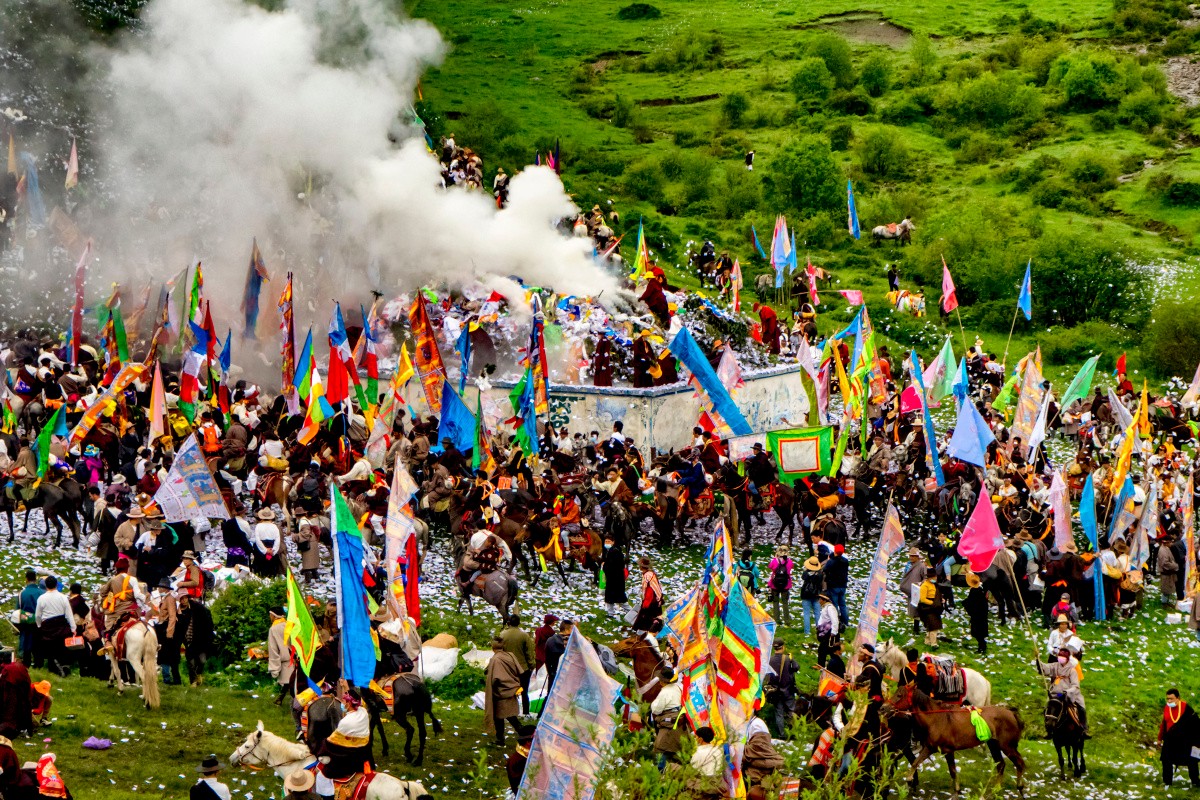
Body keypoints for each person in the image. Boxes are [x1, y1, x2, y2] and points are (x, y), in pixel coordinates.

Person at [1039, 648, 1089, 737]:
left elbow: (1075, 685)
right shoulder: (1055, 666)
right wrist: (1038, 661)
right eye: (1059, 656)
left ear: (1067, 659)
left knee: (1081, 708)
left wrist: (1067, 692)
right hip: (1055, 693)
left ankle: (1083, 728)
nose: (1060, 659)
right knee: (1048, 707)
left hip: (1067, 694)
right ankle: (1049, 729)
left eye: (1062, 657)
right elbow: (1045, 668)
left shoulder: (1072, 670)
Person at [485, 636, 524, 747]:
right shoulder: (510, 655)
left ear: (493, 647)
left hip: (502, 692)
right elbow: (519, 670)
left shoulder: (495, 659)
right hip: (512, 689)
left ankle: (524, 735)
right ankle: (501, 739)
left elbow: (495, 678)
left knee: (506, 717)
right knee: (506, 716)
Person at [1159, 688, 1200, 789]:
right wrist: (1159, 738)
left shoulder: (1187, 709)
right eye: (1167, 699)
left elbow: (1196, 725)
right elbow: (1163, 724)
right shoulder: (1166, 708)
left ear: (1178, 698)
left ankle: (1195, 781)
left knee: (1192, 761)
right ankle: (1167, 782)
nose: (1169, 701)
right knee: (1166, 759)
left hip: (1185, 740)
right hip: (1170, 739)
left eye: (1171, 699)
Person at [35, 576, 75, 677]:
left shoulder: (41, 598)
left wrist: (39, 625)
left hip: (48, 626)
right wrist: (73, 628)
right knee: (61, 647)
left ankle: (53, 666)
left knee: (50, 648)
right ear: (56, 585)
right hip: (61, 625)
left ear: (46, 586)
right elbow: (69, 614)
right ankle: (63, 666)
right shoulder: (63, 597)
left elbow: (38, 615)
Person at [499, 615, 536, 715]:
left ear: (509, 622)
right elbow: (529, 652)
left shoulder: (503, 634)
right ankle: (525, 713)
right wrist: (532, 665)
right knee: (524, 692)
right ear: (519, 623)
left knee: (508, 692)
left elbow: (499, 650)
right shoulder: (524, 635)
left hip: (507, 667)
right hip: (523, 668)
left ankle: (508, 712)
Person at [649, 667, 683, 771]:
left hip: (668, 721)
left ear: (663, 681)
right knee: (676, 747)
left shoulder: (665, 693)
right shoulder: (677, 687)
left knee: (660, 747)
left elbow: (656, 710)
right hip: (679, 719)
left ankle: (661, 770)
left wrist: (653, 704)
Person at [765, 639, 799, 737]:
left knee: (779, 713)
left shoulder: (770, 660)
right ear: (783, 647)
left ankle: (782, 735)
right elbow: (796, 667)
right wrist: (792, 659)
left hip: (775, 692)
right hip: (788, 691)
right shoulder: (788, 659)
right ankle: (792, 733)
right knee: (791, 712)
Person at [267, 606, 294, 705]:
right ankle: (280, 699)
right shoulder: (290, 625)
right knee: (291, 681)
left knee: (290, 682)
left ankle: (296, 703)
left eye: (270, 615)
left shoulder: (273, 629)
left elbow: (273, 649)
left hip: (285, 659)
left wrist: (274, 668)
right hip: (295, 657)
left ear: (274, 615)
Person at [17, 570, 45, 667]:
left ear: (26, 579)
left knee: (26, 644)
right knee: (38, 644)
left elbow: (18, 610)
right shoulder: (42, 593)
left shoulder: (22, 594)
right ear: (35, 579)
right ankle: (38, 663)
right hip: (39, 622)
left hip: (26, 624)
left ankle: (26, 663)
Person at [899, 548, 928, 636]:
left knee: (917, 610)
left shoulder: (922, 566)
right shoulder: (909, 565)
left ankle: (917, 628)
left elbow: (925, 577)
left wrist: (920, 584)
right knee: (913, 609)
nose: (911, 558)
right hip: (910, 590)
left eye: (913, 556)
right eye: (910, 556)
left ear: (917, 557)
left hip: (917, 591)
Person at [632, 557, 663, 633]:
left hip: (650, 600)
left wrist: (645, 603)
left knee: (647, 617)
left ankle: (648, 631)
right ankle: (656, 629)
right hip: (656, 598)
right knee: (655, 616)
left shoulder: (647, 576)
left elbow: (647, 589)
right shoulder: (651, 573)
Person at [822, 544, 850, 628]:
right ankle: (845, 621)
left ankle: (836, 621)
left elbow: (825, 569)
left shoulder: (831, 561)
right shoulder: (845, 561)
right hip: (843, 585)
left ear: (835, 551)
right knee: (842, 604)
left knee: (834, 605)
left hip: (834, 585)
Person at [962, 572, 989, 655]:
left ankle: (982, 647)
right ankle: (981, 647)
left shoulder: (974, 591)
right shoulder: (981, 590)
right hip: (982, 615)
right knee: (980, 633)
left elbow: (971, 603)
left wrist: (964, 603)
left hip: (977, 615)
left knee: (978, 633)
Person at [601, 536, 628, 616]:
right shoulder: (610, 551)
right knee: (610, 597)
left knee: (620, 598)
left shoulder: (614, 552)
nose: (607, 543)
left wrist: (605, 565)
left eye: (609, 541)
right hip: (613, 578)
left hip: (616, 578)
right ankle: (610, 613)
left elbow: (613, 565)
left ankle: (631, 612)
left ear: (613, 542)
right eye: (606, 541)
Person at [543, 620, 572, 695]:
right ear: (566, 630)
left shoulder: (550, 641)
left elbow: (546, 659)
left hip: (553, 676)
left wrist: (550, 673)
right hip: (569, 679)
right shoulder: (572, 642)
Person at [767, 545, 793, 626]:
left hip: (775, 584)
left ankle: (777, 620)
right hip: (786, 584)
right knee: (785, 602)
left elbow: (770, 567)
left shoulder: (774, 561)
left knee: (776, 602)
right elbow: (791, 567)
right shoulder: (790, 562)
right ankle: (787, 621)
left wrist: (775, 558)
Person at [918, 568, 943, 648]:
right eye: (934, 577)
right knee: (933, 626)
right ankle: (933, 643)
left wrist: (940, 599)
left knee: (931, 625)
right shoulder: (924, 586)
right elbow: (922, 599)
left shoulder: (934, 585)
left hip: (935, 607)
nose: (935, 578)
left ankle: (927, 641)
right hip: (928, 608)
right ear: (929, 578)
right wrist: (933, 603)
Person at [816, 593, 839, 668]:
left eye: (820, 599)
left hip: (830, 632)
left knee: (824, 649)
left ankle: (821, 665)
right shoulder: (825, 607)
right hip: (825, 631)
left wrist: (833, 632)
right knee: (825, 650)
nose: (819, 601)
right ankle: (821, 665)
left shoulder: (830, 608)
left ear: (824, 600)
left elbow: (835, 620)